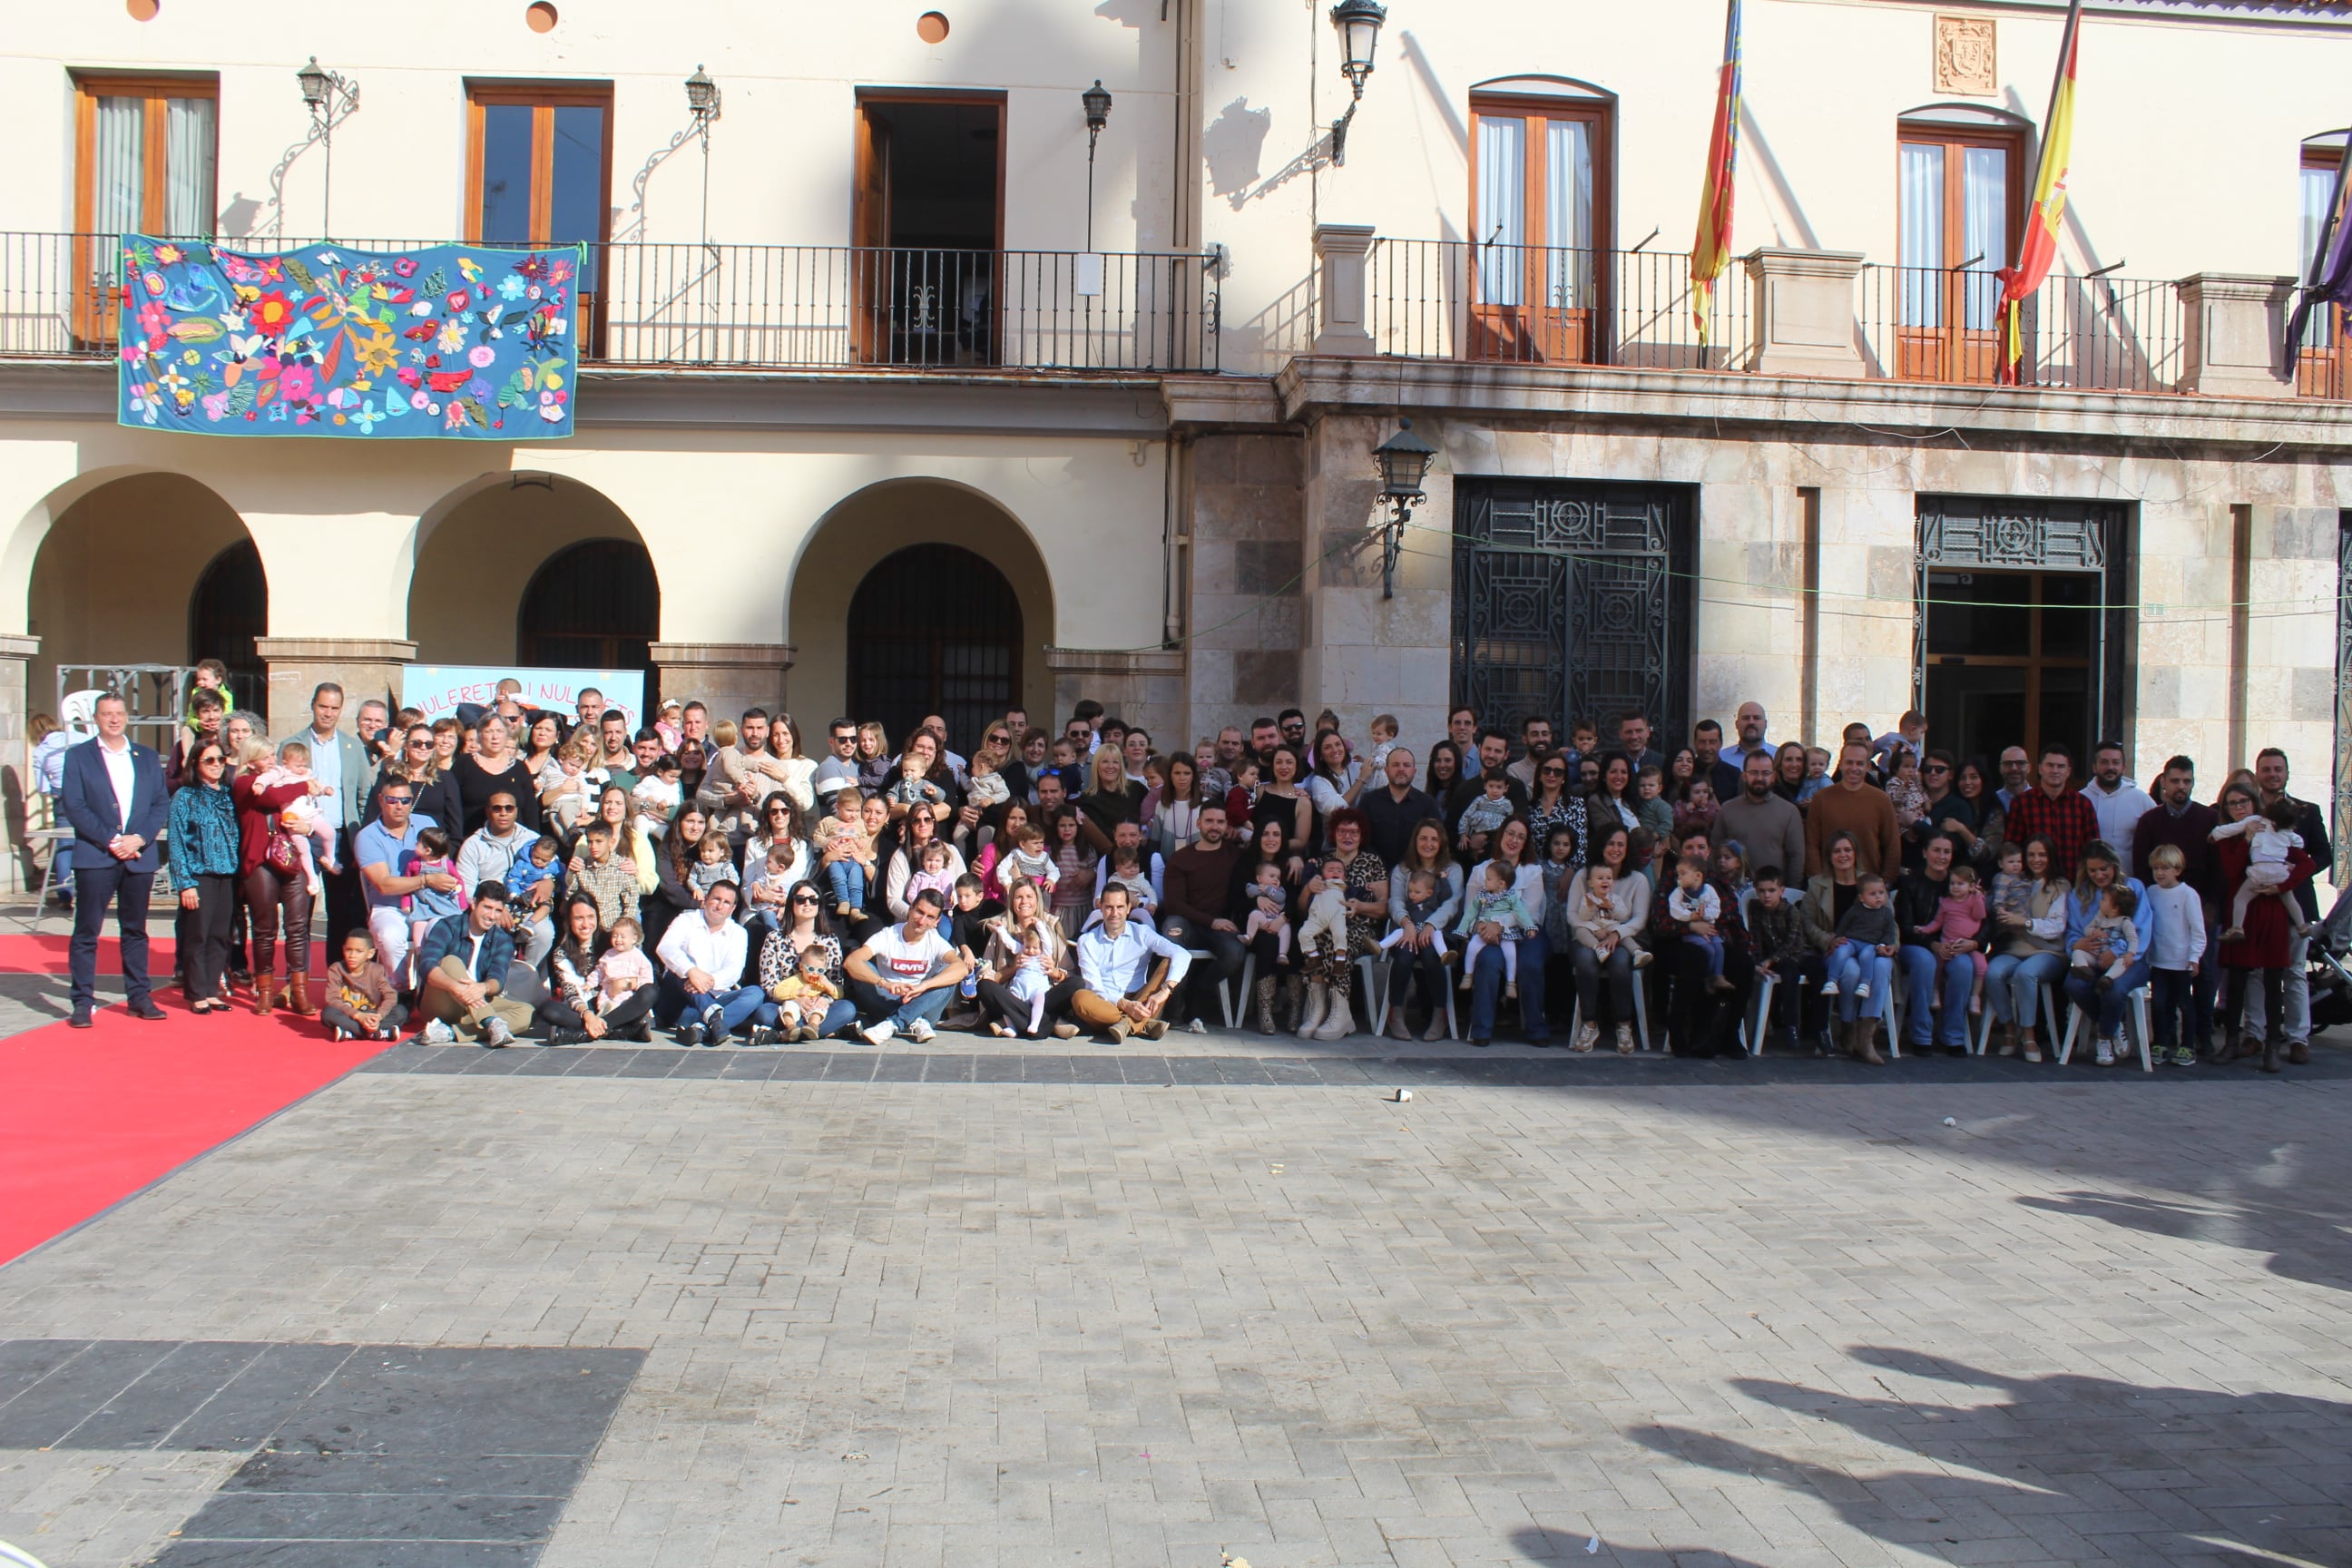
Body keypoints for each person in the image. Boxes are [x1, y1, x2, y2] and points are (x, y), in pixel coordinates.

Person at [59, 693, 172, 1028]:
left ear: (127, 717)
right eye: (107, 714)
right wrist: (111, 840)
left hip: (138, 854)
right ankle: (82, 1000)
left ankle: (139, 996)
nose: (114, 719)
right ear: (96, 718)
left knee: (135, 930)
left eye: (119, 713)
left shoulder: (147, 757)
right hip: (97, 855)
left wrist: (139, 838)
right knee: (87, 931)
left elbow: (160, 804)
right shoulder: (79, 757)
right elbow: (74, 805)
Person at [2213, 778, 2316, 1071]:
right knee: (2238, 979)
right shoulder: (2232, 837)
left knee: (2274, 979)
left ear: (2253, 803)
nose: (2238, 808)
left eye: (2243, 802)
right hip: (2241, 912)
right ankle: (2233, 1041)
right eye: (2232, 804)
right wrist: (2245, 838)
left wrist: (2284, 885)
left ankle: (2272, 1045)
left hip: (2271, 910)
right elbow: (2232, 871)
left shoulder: (2275, 829)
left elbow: (2305, 862)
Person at [299, 683, 378, 965]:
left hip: (342, 837)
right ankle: (296, 983)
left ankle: (336, 977)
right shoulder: (293, 743)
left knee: (341, 913)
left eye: (334, 708)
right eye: (323, 706)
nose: (328, 713)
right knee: (299, 914)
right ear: (313, 705)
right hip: (303, 837)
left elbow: (363, 796)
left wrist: (361, 842)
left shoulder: (352, 745)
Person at [2059, 844, 2154, 1068]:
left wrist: (2117, 951)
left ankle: (2103, 1037)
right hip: (2093, 957)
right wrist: (2077, 944)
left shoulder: (2133, 888)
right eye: (2093, 870)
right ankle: (2113, 1027)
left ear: (2113, 865)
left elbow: (2140, 929)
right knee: (2075, 985)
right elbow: (2072, 930)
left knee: (2114, 990)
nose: (2099, 875)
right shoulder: (2079, 894)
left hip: (2129, 960)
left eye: (2104, 869)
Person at [165, 734, 240, 1015]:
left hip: (227, 875)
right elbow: (177, 842)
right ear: (195, 763)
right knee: (197, 934)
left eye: (221, 759)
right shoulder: (186, 796)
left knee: (221, 935)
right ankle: (196, 992)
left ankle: (211, 990)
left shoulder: (227, 793)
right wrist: (185, 883)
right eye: (209, 760)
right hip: (199, 875)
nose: (216, 764)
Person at [1462, 818, 1550, 1047]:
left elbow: (1528, 912)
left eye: (1521, 837)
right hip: (1488, 933)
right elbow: (1470, 908)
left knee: (1530, 964)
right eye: (1510, 833)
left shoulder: (1532, 872)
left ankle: (1536, 1028)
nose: (1514, 840)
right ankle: (1481, 1030)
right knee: (1489, 961)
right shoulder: (1480, 871)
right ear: (1501, 835)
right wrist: (1484, 928)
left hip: (1526, 932)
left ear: (1526, 844)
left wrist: (1499, 924)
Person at [842, 888, 970, 1044]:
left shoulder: (935, 941)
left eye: (930, 917)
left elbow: (961, 968)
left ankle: (894, 1023)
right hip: (886, 999)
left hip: (923, 1003)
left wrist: (923, 987)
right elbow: (851, 962)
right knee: (863, 968)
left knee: (949, 973)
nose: (922, 921)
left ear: (937, 922)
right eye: (919, 912)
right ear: (910, 910)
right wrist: (884, 983)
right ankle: (914, 1021)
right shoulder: (888, 935)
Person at [1159, 801, 1246, 1027]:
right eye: (1209, 821)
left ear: (1227, 825)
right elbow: (1174, 904)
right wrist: (1212, 921)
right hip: (1188, 921)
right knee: (1172, 933)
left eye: (1220, 822)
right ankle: (1175, 1009)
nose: (1214, 826)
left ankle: (1196, 996)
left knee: (1235, 952)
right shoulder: (1181, 858)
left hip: (1220, 927)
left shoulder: (1235, 855)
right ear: (1199, 824)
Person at [1892, 832, 1981, 1054]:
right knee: (1925, 963)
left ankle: (1953, 1035)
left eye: (1947, 851)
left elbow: (1984, 921)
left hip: (1953, 946)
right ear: (1924, 853)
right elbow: (1904, 927)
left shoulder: (1960, 883)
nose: (1942, 856)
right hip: (1916, 946)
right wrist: (1932, 945)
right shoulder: (1910, 883)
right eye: (1936, 850)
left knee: (1964, 966)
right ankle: (1921, 1035)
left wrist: (1974, 943)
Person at [415, 882, 534, 1046]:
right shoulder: (448, 926)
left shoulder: (502, 940)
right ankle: (491, 1021)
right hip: (442, 1002)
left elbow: (497, 980)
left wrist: (482, 988)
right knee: (451, 961)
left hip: (476, 1003)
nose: (491, 916)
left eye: (498, 910)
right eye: (487, 907)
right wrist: (456, 988)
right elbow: (426, 966)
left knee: (526, 1013)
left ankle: (450, 1032)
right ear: (474, 903)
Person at [1563, 824, 1649, 1054]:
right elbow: (1572, 915)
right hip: (1587, 937)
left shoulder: (1638, 880)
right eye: (1610, 843)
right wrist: (1593, 929)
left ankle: (1624, 1025)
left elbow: (1640, 919)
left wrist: (1617, 933)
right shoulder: (1584, 876)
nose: (1615, 849)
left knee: (1621, 963)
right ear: (1601, 846)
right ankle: (1589, 1023)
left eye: (1621, 844)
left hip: (1622, 940)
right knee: (1585, 961)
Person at [1983, 836, 2069, 1063]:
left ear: (2050, 857)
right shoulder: (2015, 880)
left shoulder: (2059, 887)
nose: (2036, 860)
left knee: (2026, 973)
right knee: (1992, 973)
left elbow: (2057, 927)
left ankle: (2029, 1033)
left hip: (2048, 952)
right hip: (2015, 948)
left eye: (2042, 855)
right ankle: (2010, 1028)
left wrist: (2025, 922)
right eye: (2031, 855)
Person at [1069, 883, 1191, 1043]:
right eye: (1109, 907)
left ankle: (1128, 1024)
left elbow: (1182, 954)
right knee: (1081, 998)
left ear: (1128, 908)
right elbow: (1094, 987)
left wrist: (1165, 991)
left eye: (1120, 907)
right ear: (1101, 908)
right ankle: (1141, 1024)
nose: (1114, 913)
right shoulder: (1087, 941)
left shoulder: (1142, 932)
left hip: (1142, 1001)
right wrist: (1124, 1005)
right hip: (1106, 1004)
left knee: (1169, 962)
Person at [656, 880, 767, 1045]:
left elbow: (734, 971)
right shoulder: (686, 919)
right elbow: (665, 948)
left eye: (726, 902)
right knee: (681, 965)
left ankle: (703, 1028)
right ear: (706, 900)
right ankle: (713, 1019)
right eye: (716, 899)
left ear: (732, 909)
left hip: (715, 998)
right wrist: (692, 972)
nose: (720, 906)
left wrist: (708, 981)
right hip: (679, 1002)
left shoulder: (738, 932)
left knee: (755, 993)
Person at [1382, 818, 1463, 1042]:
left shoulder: (1452, 870)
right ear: (1415, 841)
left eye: (1434, 839)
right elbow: (1395, 901)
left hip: (1439, 932)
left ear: (1442, 843)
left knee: (1431, 955)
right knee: (1405, 955)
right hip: (1406, 927)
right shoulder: (1402, 869)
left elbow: (1452, 903)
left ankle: (1439, 1015)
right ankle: (1395, 1014)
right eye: (1424, 838)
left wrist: (1430, 925)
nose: (1429, 844)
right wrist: (1407, 923)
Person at [975, 879, 1079, 1039]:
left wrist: (1055, 972)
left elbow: (1069, 973)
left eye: (1029, 896)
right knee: (984, 986)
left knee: (1077, 983)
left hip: (1042, 993)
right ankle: (1049, 1023)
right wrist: (1012, 969)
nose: (1024, 902)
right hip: (1013, 995)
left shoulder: (1050, 927)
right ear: (1011, 901)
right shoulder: (1000, 929)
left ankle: (1011, 1022)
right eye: (1019, 897)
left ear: (1037, 900)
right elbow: (987, 975)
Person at [1747, 866, 1827, 1053]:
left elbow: (1794, 943)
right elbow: (1755, 938)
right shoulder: (1756, 910)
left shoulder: (1791, 911)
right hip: (1782, 960)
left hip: (1800, 953)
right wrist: (1760, 961)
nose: (1767, 895)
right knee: (1789, 975)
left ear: (1781, 891)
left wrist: (1772, 959)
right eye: (1762, 891)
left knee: (1820, 975)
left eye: (1772, 890)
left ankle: (1821, 1029)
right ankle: (1791, 1026)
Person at [2142, 845, 2207, 1068]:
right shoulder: (2151, 892)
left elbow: (2197, 929)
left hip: (2181, 962)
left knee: (2184, 1004)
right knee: (2158, 1003)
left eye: (2166, 868)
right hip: (2159, 961)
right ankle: (2160, 1042)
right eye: (2156, 868)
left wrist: (2194, 956)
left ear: (2177, 870)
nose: (2160, 873)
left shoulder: (2188, 894)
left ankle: (2187, 1045)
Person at [1824, 874, 1900, 1064]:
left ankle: (1866, 1037)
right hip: (1843, 946)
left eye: (1848, 850)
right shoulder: (1818, 883)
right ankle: (1848, 1026)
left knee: (1883, 965)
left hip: (1873, 947)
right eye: (1838, 851)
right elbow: (1808, 922)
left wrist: (1891, 945)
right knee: (1851, 971)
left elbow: (1892, 928)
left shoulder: (1874, 885)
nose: (1843, 855)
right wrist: (1830, 940)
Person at [2002, 744, 2100, 879]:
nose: (2055, 771)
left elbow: (2093, 848)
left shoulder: (2082, 804)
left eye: (2061, 766)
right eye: (2050, 765)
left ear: (2068, 771)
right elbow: (2012, 848)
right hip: (2032, 886)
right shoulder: (2022, 803)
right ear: (2040, 769)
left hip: (2073, 885)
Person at [1805, 742, 1902, 879]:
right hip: (1830, 884)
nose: (1854, 768)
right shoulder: (1821, 799)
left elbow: (1892, 844)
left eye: (1860, 763)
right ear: (1841, 764)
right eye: (1849, 762)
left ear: (1867, 766)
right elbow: (1812, 843)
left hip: (1870, 886)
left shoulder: (1881, 800)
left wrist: (1887, 881)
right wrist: (1818, 881)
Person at [1714, 750, 1805, 895]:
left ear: (1774, 776)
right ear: (1744, 776)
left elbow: (1796, 857)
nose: (1760, 778)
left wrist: (1790, 893)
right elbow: (1715, 850)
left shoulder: (1789, 811)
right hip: (1732, 895)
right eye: (1754, 773)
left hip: (1773, 897)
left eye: (1765, 773)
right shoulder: (1727, 810)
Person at [1358, 748, 1439, 869]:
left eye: (1406, 765)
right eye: (1395, 765)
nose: (1401, 769)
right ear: (1386, 770)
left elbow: (1437, 841)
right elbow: (1360, 839)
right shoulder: (1368, 801)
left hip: (1415, 874)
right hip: (1374, 872)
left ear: (1414, 771)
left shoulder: (1428, 804)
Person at [320, 927, 404, 1043]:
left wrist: (379, 1016)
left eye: (359, 951)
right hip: (349, 1014)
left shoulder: (377, 970)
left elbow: (390, 995)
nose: (352, 955)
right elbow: (332, 999)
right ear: (343, 949)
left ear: (370, 953)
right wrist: (358, 1016)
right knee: (328, 1013)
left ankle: (352, 1033)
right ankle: (377, 1033)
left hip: (372, 1014)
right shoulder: (336, 969)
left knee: (401, 1012)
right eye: (348, 950)